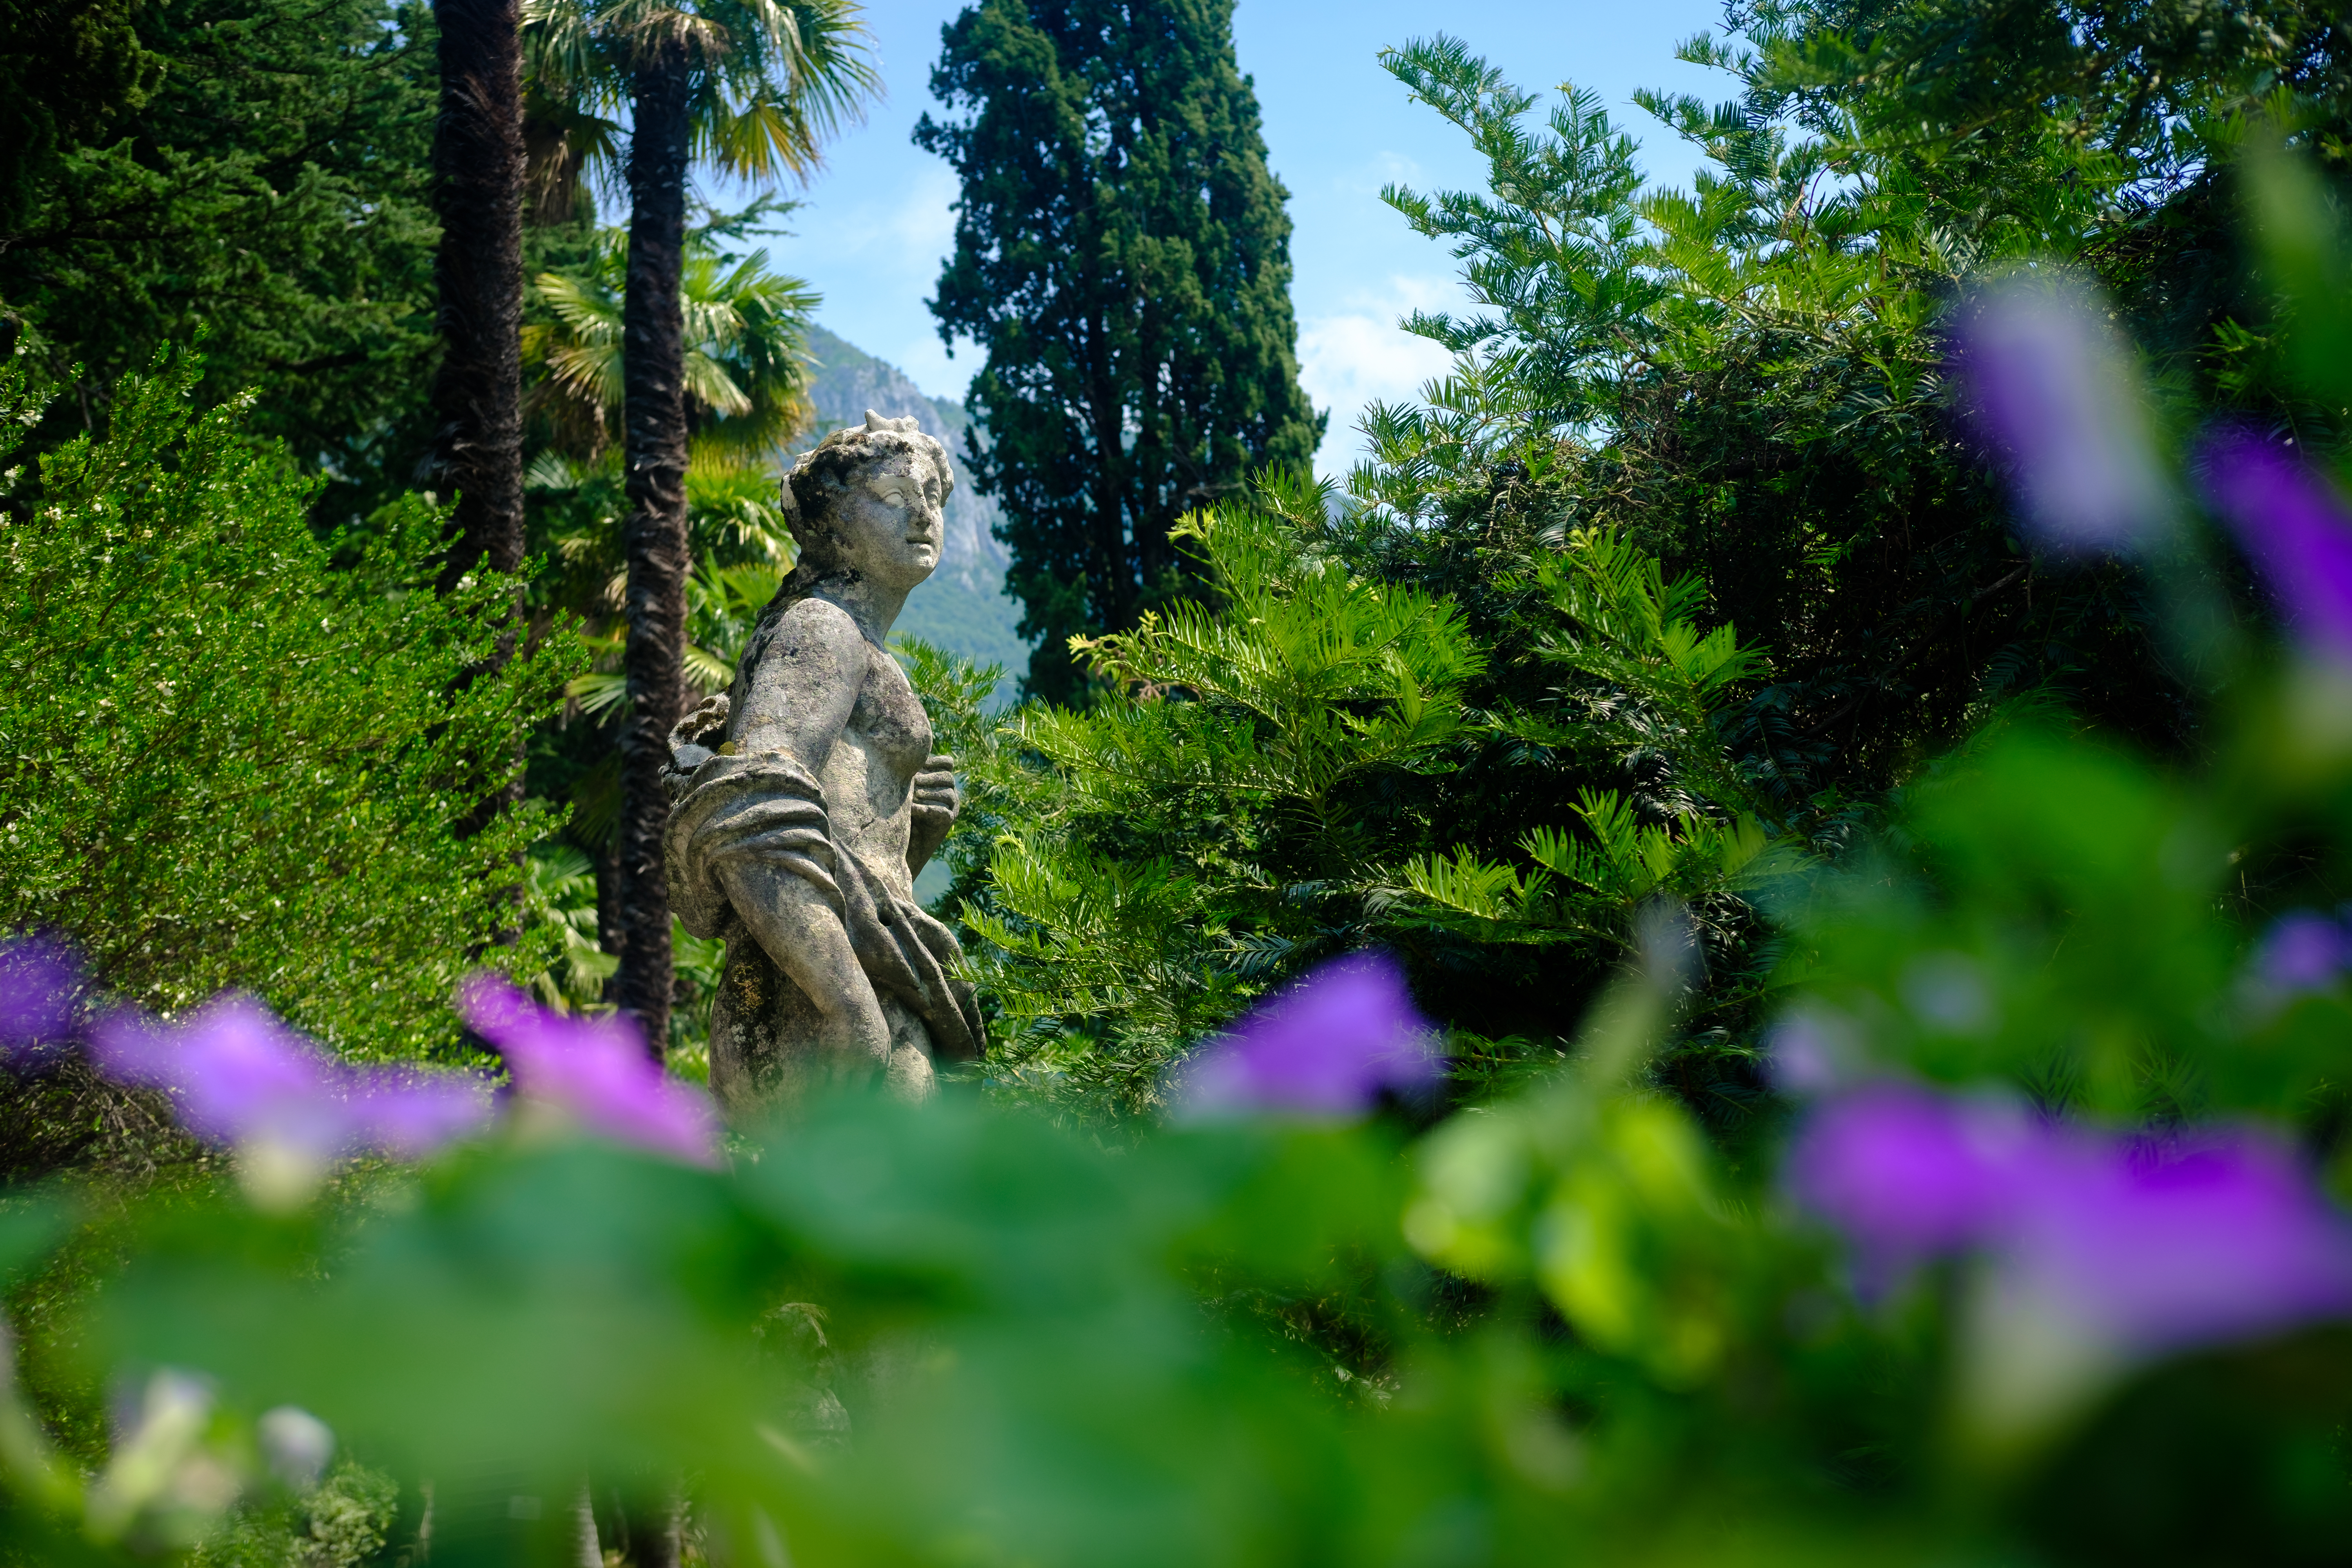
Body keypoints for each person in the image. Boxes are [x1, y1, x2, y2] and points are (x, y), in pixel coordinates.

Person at [663, 412, 981, 1112]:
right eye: (894, 499)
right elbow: (749, 806)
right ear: (833, 520)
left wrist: (914, 823)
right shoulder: (823, 627)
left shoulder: (862, 643)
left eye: (932, 496)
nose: (923, 516)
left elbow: (844, 855)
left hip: (858, 980)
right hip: (812, 1005)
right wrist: (846, 1007)